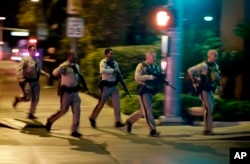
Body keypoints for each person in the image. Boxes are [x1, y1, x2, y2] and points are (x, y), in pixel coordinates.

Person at [45, 52, 83, 137]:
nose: (72, 58)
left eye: (73, 56)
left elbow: (77, 77)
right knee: (63, 111)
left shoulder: (76, 66)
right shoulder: (64, 66)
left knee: (77, 111)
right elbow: (54, 73)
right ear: (67, 57)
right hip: (66, 93)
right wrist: (62, 67)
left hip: (75, 92)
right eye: (70, 56)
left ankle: (74, 130)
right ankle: (50, 121)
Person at [125, 50, 161, 137]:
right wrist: (148, 77)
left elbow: (159, 78)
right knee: (148, 110)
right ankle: (152, 130)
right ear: (147, 57)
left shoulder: (156, 67)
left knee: (143, 111)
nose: (155, 58)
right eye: (153, 56)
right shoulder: (141, 66)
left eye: (155, 56)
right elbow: (137, 77)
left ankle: (129, 121)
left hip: (150, 91)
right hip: (143, 90)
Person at [187, 49, 222, 135]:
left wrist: (220, 86)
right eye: (215, 55)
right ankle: (207, 130)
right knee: (208, 109)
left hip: (211, 90)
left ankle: (208, 128)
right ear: (209, 56)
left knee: (210, 109)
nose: (217, 57)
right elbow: (190, 70)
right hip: (203, 90)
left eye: (217, 55)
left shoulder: (216, 66)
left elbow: (217, 77)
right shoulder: (203, 65)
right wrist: (194, 82)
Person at [89, 48, 125, 128]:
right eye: (110, 54)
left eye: (113, 54)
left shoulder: (115, 63)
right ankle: (92, 118)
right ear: (106, 55)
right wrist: (112, 71)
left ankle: (118, 121)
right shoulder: (103, 62)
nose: (112, 55)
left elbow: (118, 73)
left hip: (114, 86)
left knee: (117, 104)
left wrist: (121, 82)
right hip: (105, 87)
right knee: (101, 104)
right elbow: (102, 71)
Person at [13, 44, 49, 119]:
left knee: (36, 98)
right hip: (28, 81)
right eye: (33, 50)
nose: (34, 51)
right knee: (28, 98)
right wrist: (20, 77)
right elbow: (18, 68)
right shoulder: (26, 59)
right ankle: (18, 99)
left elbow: (38, 70)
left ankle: (31, 114)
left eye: (35, 50)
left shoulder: (37, 60)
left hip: (36, 81)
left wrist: (44, 73)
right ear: (29, 51)